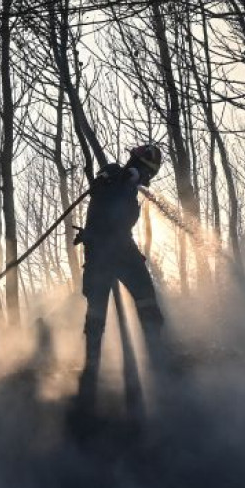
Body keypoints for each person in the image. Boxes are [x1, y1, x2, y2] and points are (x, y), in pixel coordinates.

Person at [73, 144, 171, 412]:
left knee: (147, 301)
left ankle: (157, 353)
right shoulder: (114, 172)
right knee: (96, 314)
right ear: (139, 165)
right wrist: (117, 178)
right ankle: (91, 369)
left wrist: (130, 183)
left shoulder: (131, 187)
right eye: (147, 172)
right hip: (101, 252)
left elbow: (120, 221)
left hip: (122, 249)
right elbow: (98, 187)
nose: (148, 179)